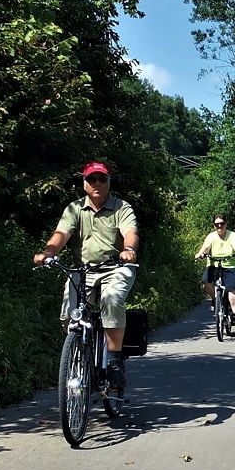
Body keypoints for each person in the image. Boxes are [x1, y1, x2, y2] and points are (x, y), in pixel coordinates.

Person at [33, 161, 139, 389]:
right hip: (83, 270)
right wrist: (48, 253)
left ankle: (114, 362)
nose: (97, 183)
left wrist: (129, 250)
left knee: (111, 299)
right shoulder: (74, 209)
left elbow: (130, 232)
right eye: (92, 179)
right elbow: (61, 233)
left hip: (116, 268)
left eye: (102, 179)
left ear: (109, 182)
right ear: (84, 183)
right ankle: (81, 354)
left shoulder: (121, 207)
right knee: (69, 316)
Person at [195, 214, 235, 325]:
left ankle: (234, 313)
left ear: (226, 224)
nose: (219, 226)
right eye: (217, 224)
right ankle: (215, 300)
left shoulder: (232, 235)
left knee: (232, 289)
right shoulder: (211, 236)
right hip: (214, 265)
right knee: (206, 283)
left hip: (231, 265)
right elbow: (206, 247)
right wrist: (200, 254)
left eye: (222, 223)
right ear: (214, 225)